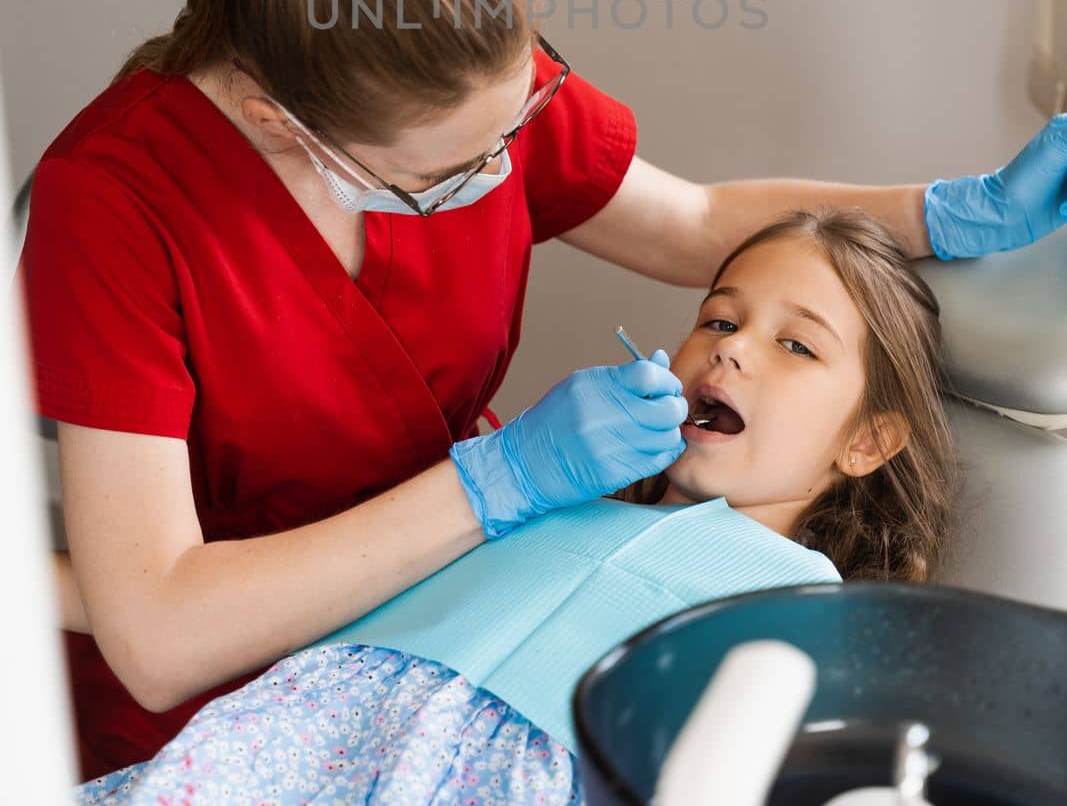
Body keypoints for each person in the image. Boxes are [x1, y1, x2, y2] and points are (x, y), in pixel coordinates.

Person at [17, 0, 1067, 783]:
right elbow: (153, 630)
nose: (504, 166)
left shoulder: (471, 86)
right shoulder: (114, 204)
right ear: (283, 123)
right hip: (238, 697)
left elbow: (700, 222)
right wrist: (496, 484)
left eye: (515, 126)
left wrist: (946, 212)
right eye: (459, 169)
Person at [69, 206, 958, 805]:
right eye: (719, 321)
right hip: (274, 758)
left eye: (795, 345)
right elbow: (232, 597)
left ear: (867, 443)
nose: (730, 355)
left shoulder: (808, 600)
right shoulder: (534, 496)